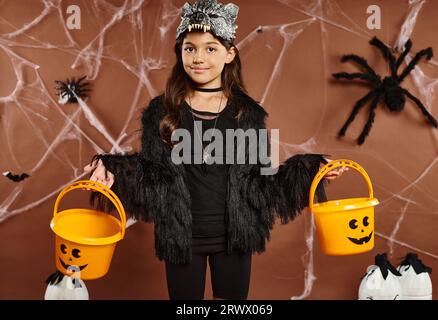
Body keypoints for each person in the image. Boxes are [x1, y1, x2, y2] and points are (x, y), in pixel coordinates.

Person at [84, 0, 347, 300]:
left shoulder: (248, 114)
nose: (199, 58)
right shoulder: (160, 112)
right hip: (182, 237)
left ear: (229, 54)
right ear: (180, 51)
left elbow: (262, 182)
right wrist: (112, 167)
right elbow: (151, 175)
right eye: (190, 48)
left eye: (210, 48)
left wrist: (310, 167)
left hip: (233, 237)